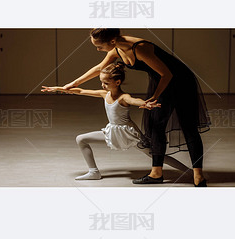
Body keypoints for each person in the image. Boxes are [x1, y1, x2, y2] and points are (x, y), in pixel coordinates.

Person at [61, 28, 211, 186]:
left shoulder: (139, 48)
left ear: (112, 41)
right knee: (155, 125)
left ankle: (198, 175)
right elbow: (99, 68)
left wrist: (155, 96)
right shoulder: (116, 50)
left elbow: (167, 74)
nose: (98, 49)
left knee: (188, 126)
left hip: (180, 82)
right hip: (161, 81)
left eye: (99, 46)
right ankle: (156, 173)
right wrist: (74, 84)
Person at [42, 63, 189, 181]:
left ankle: (189, 171)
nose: (102, 85)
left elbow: (134, 100)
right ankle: (93, 172)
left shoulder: (123, 97)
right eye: (101, 82)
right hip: (112, 131)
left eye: (105, 83)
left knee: (155, 155)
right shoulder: (104, 94)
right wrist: (59, 88)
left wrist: (145, 103)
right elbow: (80, 91)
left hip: (128, 133)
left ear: (117, 82)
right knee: (81, 139)